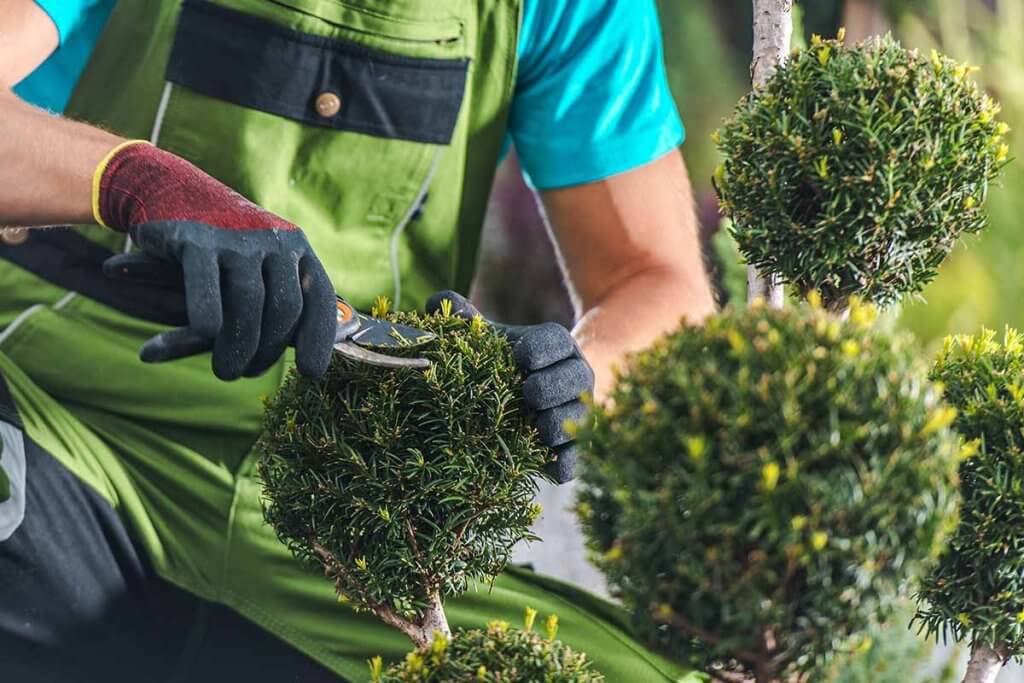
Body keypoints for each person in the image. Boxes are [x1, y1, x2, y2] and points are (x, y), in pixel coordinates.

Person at [0, 0, 716, 680]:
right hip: (62, 413)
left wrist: (578, 374)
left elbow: (658, 282)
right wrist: (135, 179)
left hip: (354, 498)